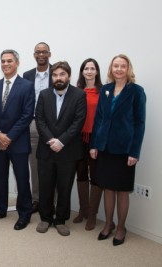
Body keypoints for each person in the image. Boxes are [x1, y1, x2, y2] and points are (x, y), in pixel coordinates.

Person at [90, 54, 146, 246]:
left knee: (122, 190)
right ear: (111, 69)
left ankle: (121, 228)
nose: (119, 69)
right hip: (105, 147)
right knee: (107, 189)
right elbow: (98, 120)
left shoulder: (137, 92)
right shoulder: (105, 89)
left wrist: (135, 152)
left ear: (128, 69)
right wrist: (94, 145)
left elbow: (140, 124)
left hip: (125, 150)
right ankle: (108, 224)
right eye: (116, 66)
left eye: (123, 66)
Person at [35, 61, 86, 236]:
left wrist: (61, 141)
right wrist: (51, 140)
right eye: (55, 75)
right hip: (46, 149)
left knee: (65, 187)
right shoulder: (44, 94)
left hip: (68, 150)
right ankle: (45, 218)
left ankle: (61, 219)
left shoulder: (79, 95)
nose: (58, 78)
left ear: (68, 76)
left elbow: (78, 121)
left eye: (62, 74)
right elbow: (39, 120)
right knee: (45, 185)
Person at [0, 49, 35, 230]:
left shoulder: (27, 86)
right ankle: (0, 209)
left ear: (17, 63)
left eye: (9, 61)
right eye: (3, 61)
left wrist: (9, 137)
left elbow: (27, 115)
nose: (6, 64)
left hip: (18, 142)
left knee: (22, 179)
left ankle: (25, 213)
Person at [72, 58, 103, 231]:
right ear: (82, 72)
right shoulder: (76, 92)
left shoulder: (103, 91)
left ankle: (92, 215)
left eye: (92, 68)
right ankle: (83, 211)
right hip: (78, 138)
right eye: (86, 68)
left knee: (96, 177)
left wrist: (97, 142)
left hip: (95, 139)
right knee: (81, 174)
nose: (89, 71)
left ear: (97, 71)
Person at [23, 42, 53, 213]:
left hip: (53, 125)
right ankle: (36, 199)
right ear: (34, 55)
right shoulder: (27, 75)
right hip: (33, 124)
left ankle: (51, 201)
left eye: (44, 52)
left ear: (49, 54)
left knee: (53, 163)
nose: (41, 55)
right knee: (34, 164)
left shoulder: (57, 72)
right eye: (38, 52)